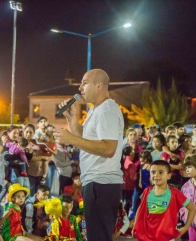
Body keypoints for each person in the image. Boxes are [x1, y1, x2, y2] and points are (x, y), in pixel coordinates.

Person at [54, 69, 124, 241]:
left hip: (102, 183)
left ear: (99, 85)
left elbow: (108, 149)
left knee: (98, 237)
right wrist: (72, 120)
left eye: (85, 82)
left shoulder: (107, 110)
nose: (80, 88)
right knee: (95, 235)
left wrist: (71, 139)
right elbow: (86, 137)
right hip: (94, 181)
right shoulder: (96, 109)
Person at [133, 160, 196, 240]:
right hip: (147, 236)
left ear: (169, 176)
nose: (156, 175)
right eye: (153, 172)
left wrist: (185, 228)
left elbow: (192, 209)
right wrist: (136, 225)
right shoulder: (146, 191)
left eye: (161, 172)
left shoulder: (175, 193)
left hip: (167, 237)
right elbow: (140, 208)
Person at [121, 146, 136, 214]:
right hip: (129, 186)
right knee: (127, 203)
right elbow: (132, 177)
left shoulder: (123, 160)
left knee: (122, 201)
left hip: (122, 184)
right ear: (130, 153)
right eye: (133, 151)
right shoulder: (131, 163)